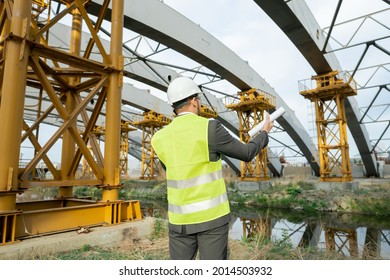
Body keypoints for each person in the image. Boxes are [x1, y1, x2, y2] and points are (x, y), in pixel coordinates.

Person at [151, 76, 273, 260]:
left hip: (179, 222)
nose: (199, 103)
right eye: (198, 99)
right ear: (193, 101)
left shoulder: (159, 138)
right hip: (212, 220)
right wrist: (264, 133)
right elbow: (247, 153)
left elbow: (172, 170)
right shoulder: (210, 128)